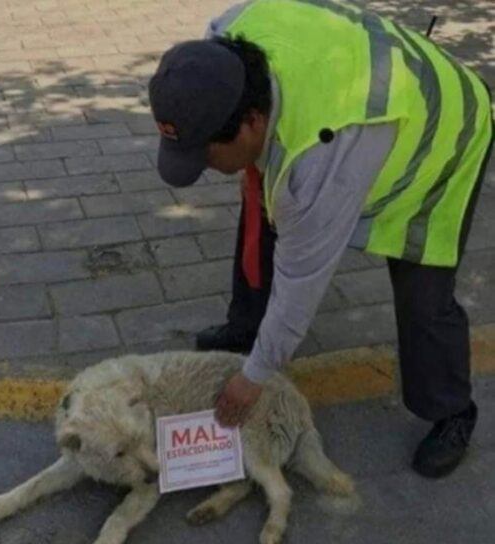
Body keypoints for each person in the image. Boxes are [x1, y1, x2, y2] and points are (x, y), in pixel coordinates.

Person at [148, 0, 493, 479]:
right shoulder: (223, 40)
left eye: (207, 157)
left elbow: (301, 284)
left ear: (251, 122)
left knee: (423, 290)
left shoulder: (318, 165)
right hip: (366, 96)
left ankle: (452, 410)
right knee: (265, 203)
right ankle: (247, 324)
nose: (205, 170)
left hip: (442, 132)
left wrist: (253, 380)